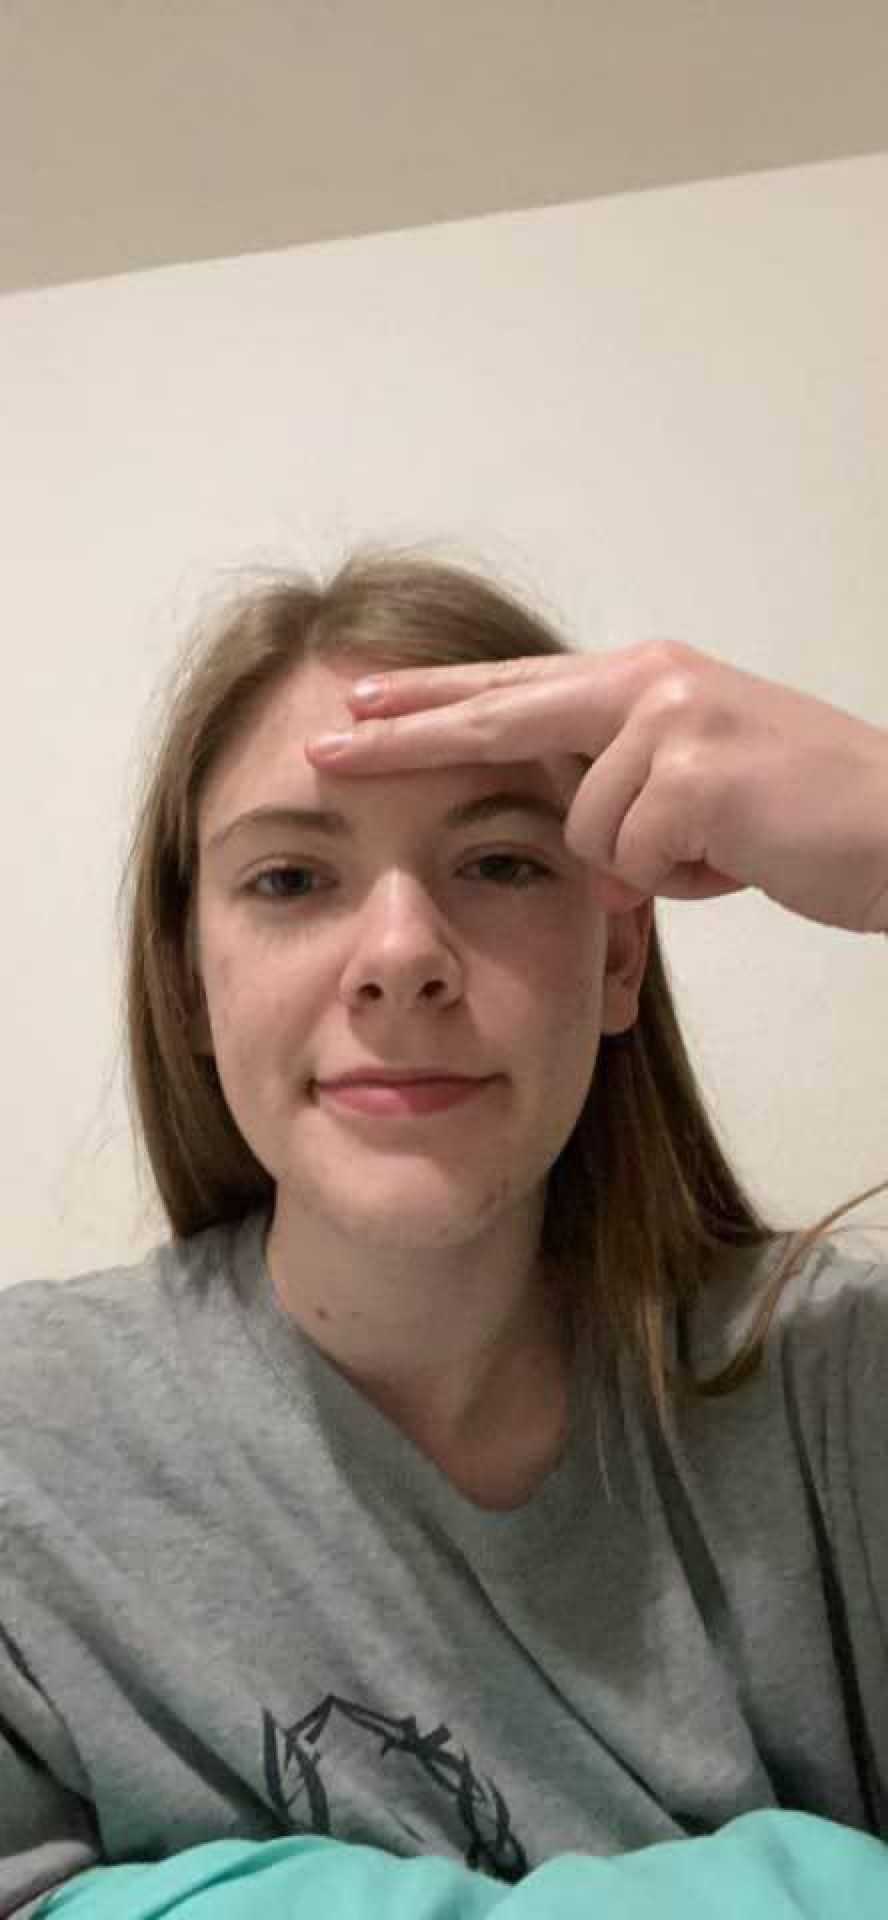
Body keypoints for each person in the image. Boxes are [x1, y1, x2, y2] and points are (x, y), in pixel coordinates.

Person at [1, 546, 887, 1920]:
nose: (401, 952)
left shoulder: (841, 1388)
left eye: (499, 862)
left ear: (618, 956)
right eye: (291, 880)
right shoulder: (27, 1455)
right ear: (189, 984)